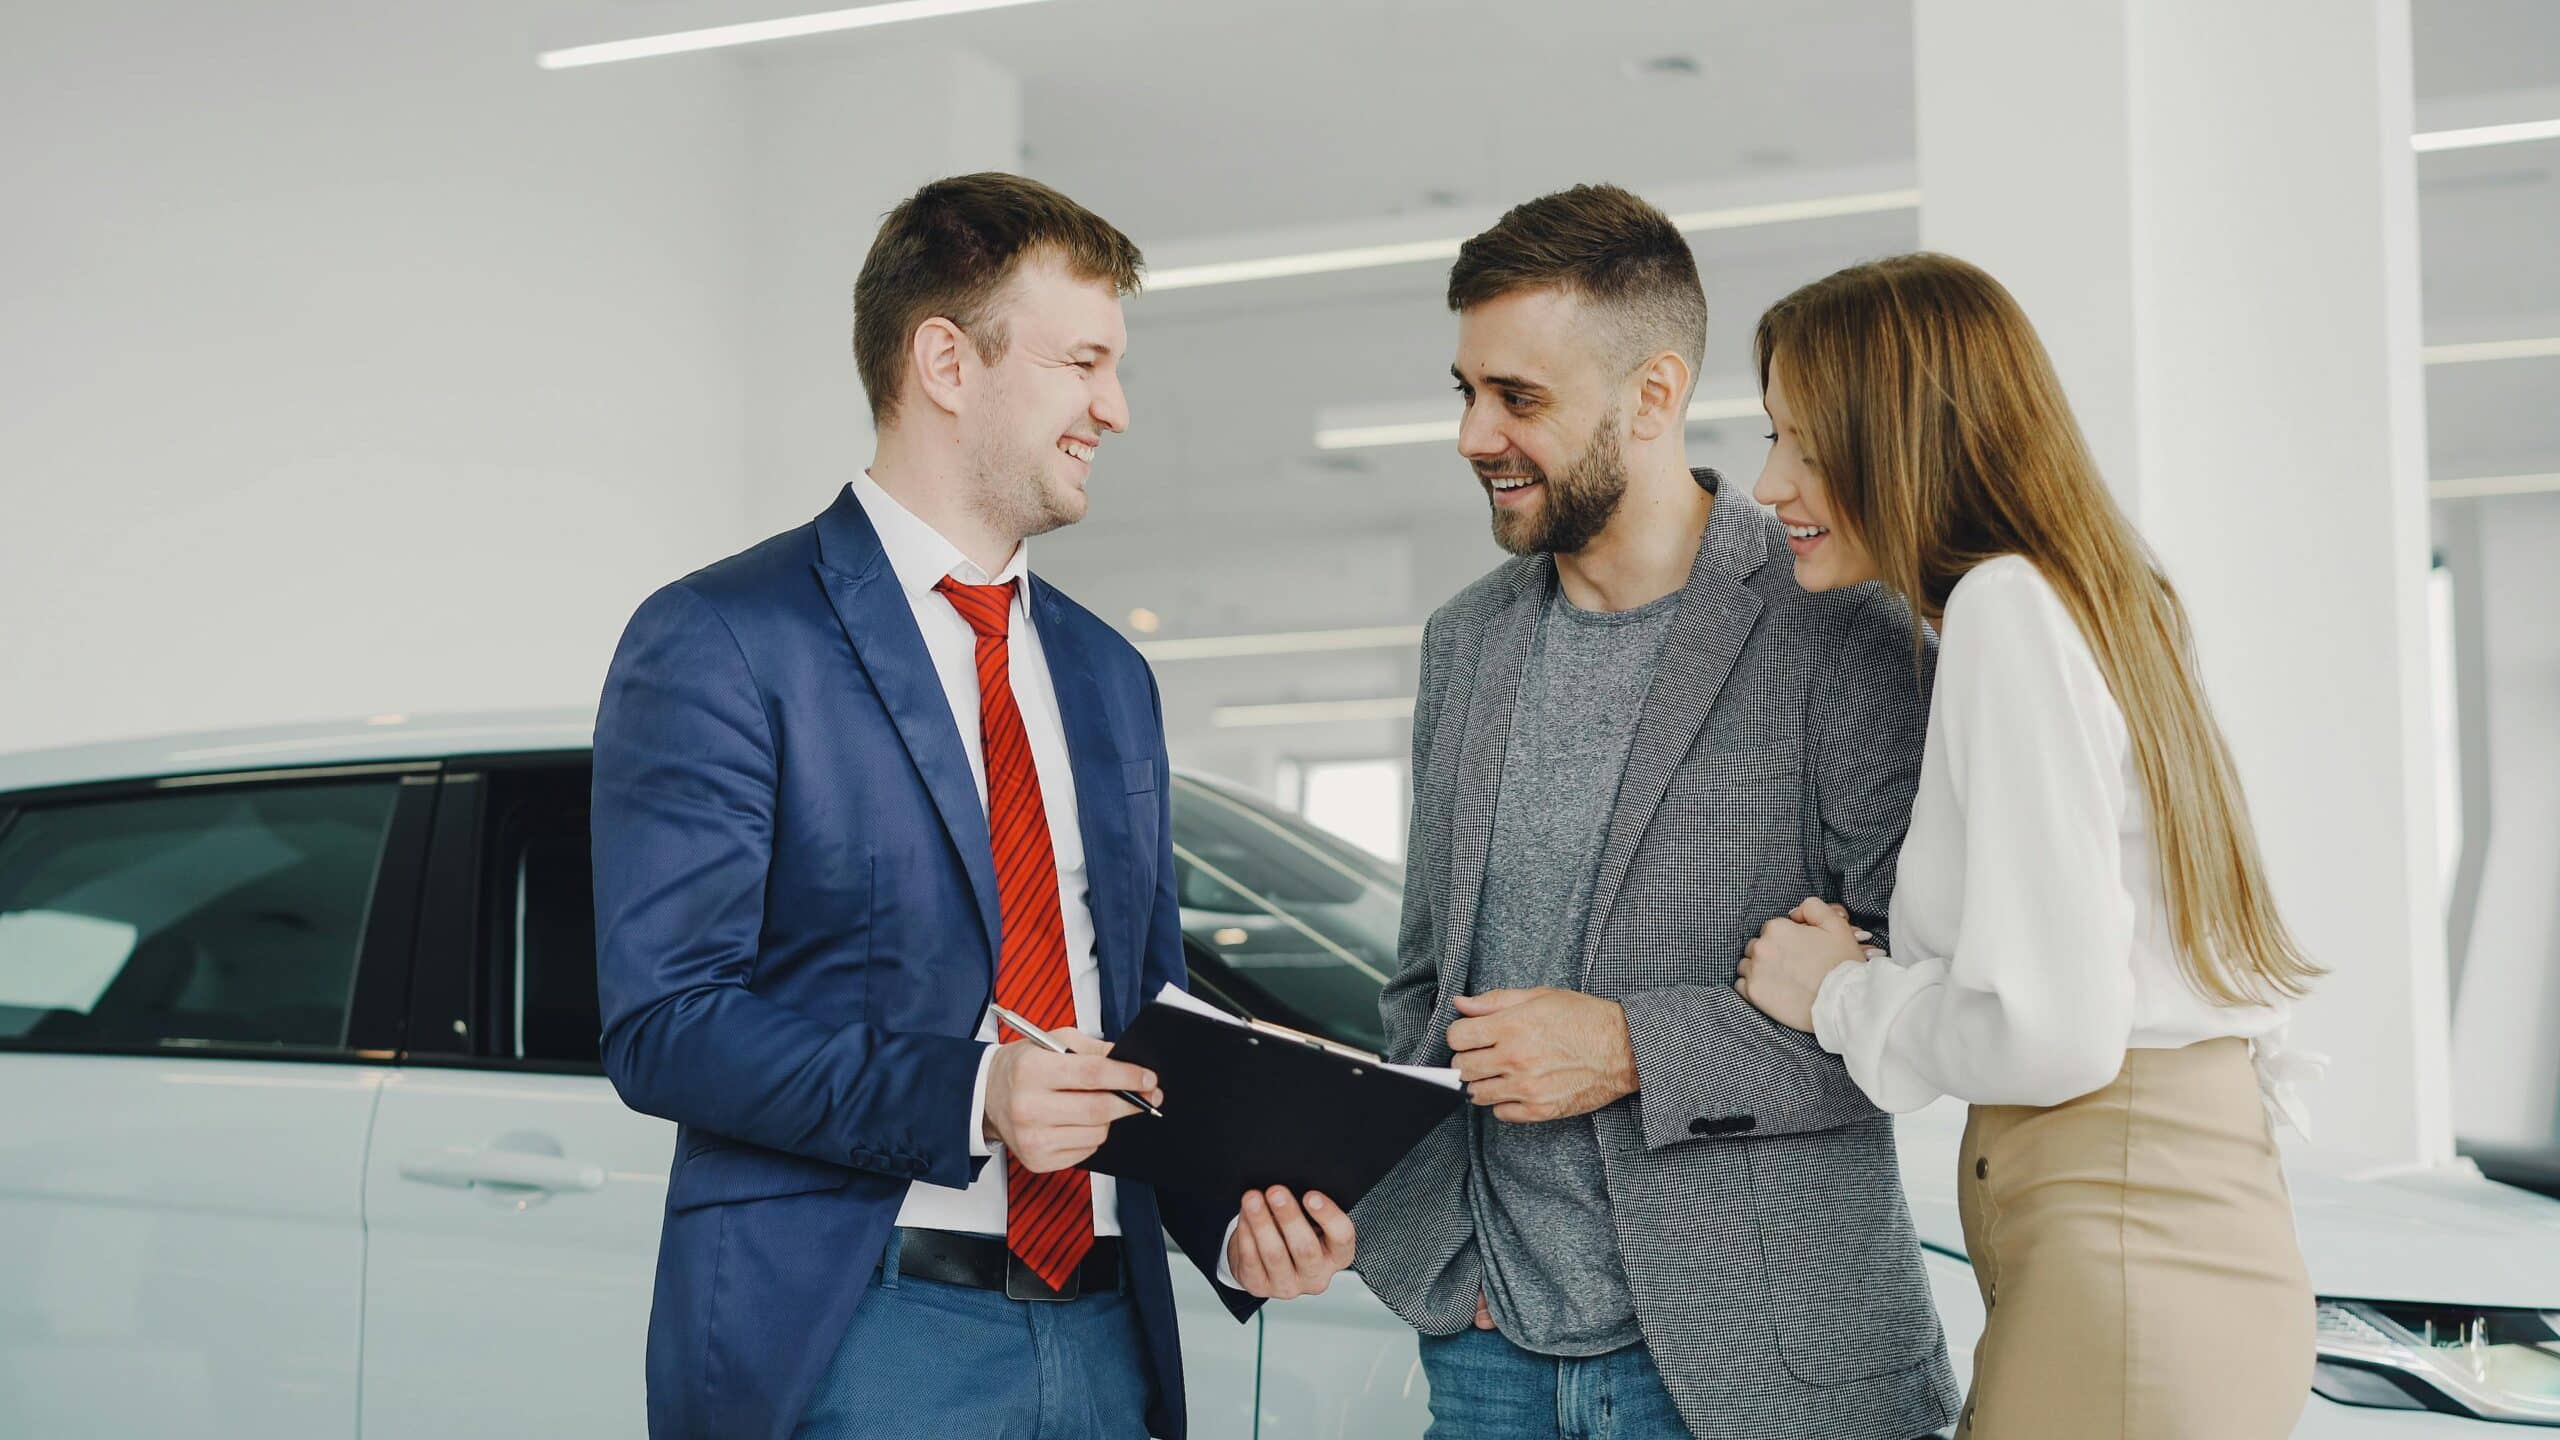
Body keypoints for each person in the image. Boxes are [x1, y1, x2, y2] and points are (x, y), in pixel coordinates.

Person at [592, 172, 1354, 1440]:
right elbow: (667, 1022)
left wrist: (1235, 1222)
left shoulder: (1109, 675)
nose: (1114, 408)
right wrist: (969, 1094)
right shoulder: (723, 637)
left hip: (1109, 1339)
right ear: (946, 360)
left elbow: (1146, 1014)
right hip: (864, 1335)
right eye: (1082, 363)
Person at [1348, 184, 1960, 1440]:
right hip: (1488, 1356)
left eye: (1519, 398)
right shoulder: (1465, 643)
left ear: (1652, 395)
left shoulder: (1842, 630)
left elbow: (1932, 999)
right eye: (1464, 391)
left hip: (1756, 1367)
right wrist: (1396, 1230)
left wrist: (1634, 1047)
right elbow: (1425, 984)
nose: (1474, 433)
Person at [1734, 252, 2321, 1440]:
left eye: (1802, 444)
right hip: (2166, 1232)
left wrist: (1841, 993)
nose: (1766, 483)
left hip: (2121, 1242)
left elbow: (2050, 1033)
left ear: (1901, 437)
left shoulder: (2007, 610)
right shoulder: (2094, 594)